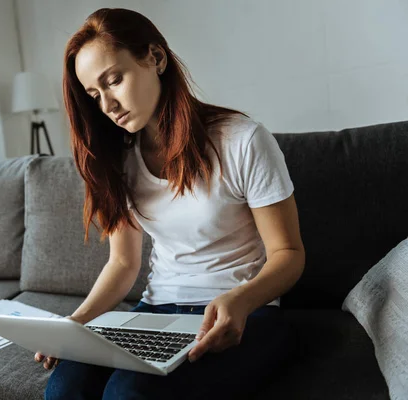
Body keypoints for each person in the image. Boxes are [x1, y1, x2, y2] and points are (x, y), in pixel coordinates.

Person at [36, 7, 305, 400]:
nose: (108, 105)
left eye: (114, 80)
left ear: (155, 58)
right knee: (65, 388)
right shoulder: (122, 160)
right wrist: (76, 323)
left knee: (128, 394)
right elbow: (123, 263)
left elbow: (289, 252)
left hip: (243, 311)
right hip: (157, 310)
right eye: (95, 95)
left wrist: (241, 299)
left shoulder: (242, 140)